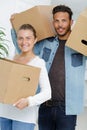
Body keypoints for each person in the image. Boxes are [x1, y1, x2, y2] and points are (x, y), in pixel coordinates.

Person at [10, 5, 87, 130]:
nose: (60, 25)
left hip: (68, 109)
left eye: (64, 20)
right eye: (56, 21)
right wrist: (14, 27)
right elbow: (22, 49)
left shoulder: (80, 46)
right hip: (45, 106)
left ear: (71, 22)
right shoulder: (46, 42)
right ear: (53, 22)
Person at [0, 24, 51, 130]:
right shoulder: (9, 59)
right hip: (3, 114)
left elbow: (47, 93)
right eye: (20, 38)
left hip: (24, 118)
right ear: (17, 39)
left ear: (35, 40)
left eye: (28, 38)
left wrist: (29, 101)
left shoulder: (38, 63)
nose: (24, 42)